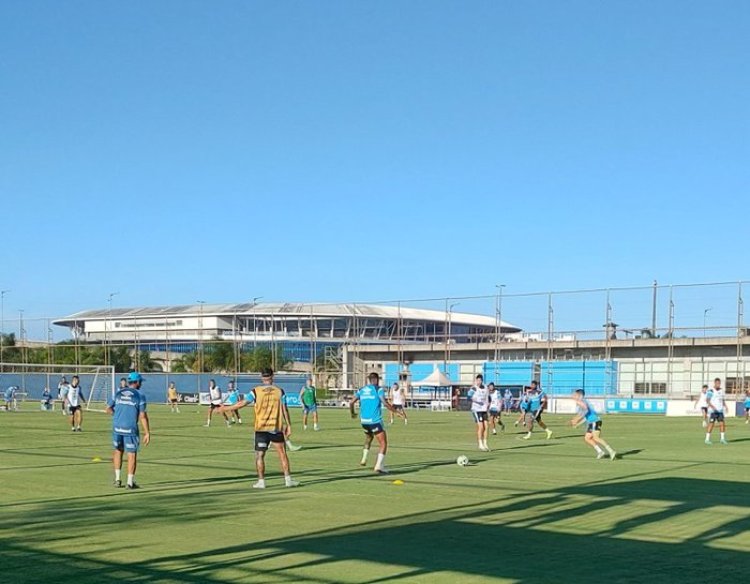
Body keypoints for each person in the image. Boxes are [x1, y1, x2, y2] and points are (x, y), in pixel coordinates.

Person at [216, 368, 299, 489]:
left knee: (259, 456)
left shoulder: (255, 391)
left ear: (261, 377)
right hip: (275, 428)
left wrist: (225, 409)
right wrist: (289, 425)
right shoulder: (280, 391)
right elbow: (284, 409)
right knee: (282, 454)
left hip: (261, 428)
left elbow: (242, 403)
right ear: (272, 377)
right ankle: (288, 480)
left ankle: (261, 481)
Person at [350, 372, 403, 474]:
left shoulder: (362, 390)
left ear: (369, 380)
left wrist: (352, 413)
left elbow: (351, 402)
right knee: (383, 443)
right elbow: (385, 403)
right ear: (377, 379)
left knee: (369, 437)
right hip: (374, 421)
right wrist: (396, 412)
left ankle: (364, 458)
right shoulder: (378, 390)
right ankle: (379, 466)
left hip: (364, 421)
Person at [107, 371, 150, 489]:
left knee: (118, 451)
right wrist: (147, 432)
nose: (141, 383)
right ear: (136, 382)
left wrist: (117, 416)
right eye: (140, 381)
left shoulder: (118, 393)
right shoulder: (139, 395)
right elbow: (142, 416)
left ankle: (117, 479)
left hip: (116, 427)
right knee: (131, 453)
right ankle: (130, 482)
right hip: (130, 428)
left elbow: (108, 408)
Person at [569, 389, 617, 460]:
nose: (573, 396)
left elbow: (586, 411)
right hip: (592, 422)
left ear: (579, 395)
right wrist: (578, 423)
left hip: (595, 421)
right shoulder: (581, 402)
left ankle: (611, 451)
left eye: (575, 395)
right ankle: (600, 452)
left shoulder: (581, 402)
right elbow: (586, 417)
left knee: (596, 437)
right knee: (587, 438)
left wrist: (577, 419)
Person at [468, 374, 490, 451]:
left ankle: (485, 443)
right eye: (477, 380)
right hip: (476, 410)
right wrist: (476, 400)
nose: (479, 382)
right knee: (481, 427)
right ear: (476, 380)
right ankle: (480, 444)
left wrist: (488, 405)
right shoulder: (474, 388)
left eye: (480, 380)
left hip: (484, 409)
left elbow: (487, 397)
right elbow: (468, 396)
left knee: (487, 427)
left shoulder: (485, 388)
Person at [705, 378, 728, 445]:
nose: (718, 384)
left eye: (719, 383)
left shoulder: (721, 391)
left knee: (722, 424)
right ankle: (707, 439)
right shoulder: (711, 391)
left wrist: (725, 406)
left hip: (720, 410)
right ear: (714, 383)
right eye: (717, 383)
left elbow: (722, 400)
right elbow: (707, 400)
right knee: (711, 424)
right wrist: (712, 407)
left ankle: (722, 439)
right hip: (713, 411)